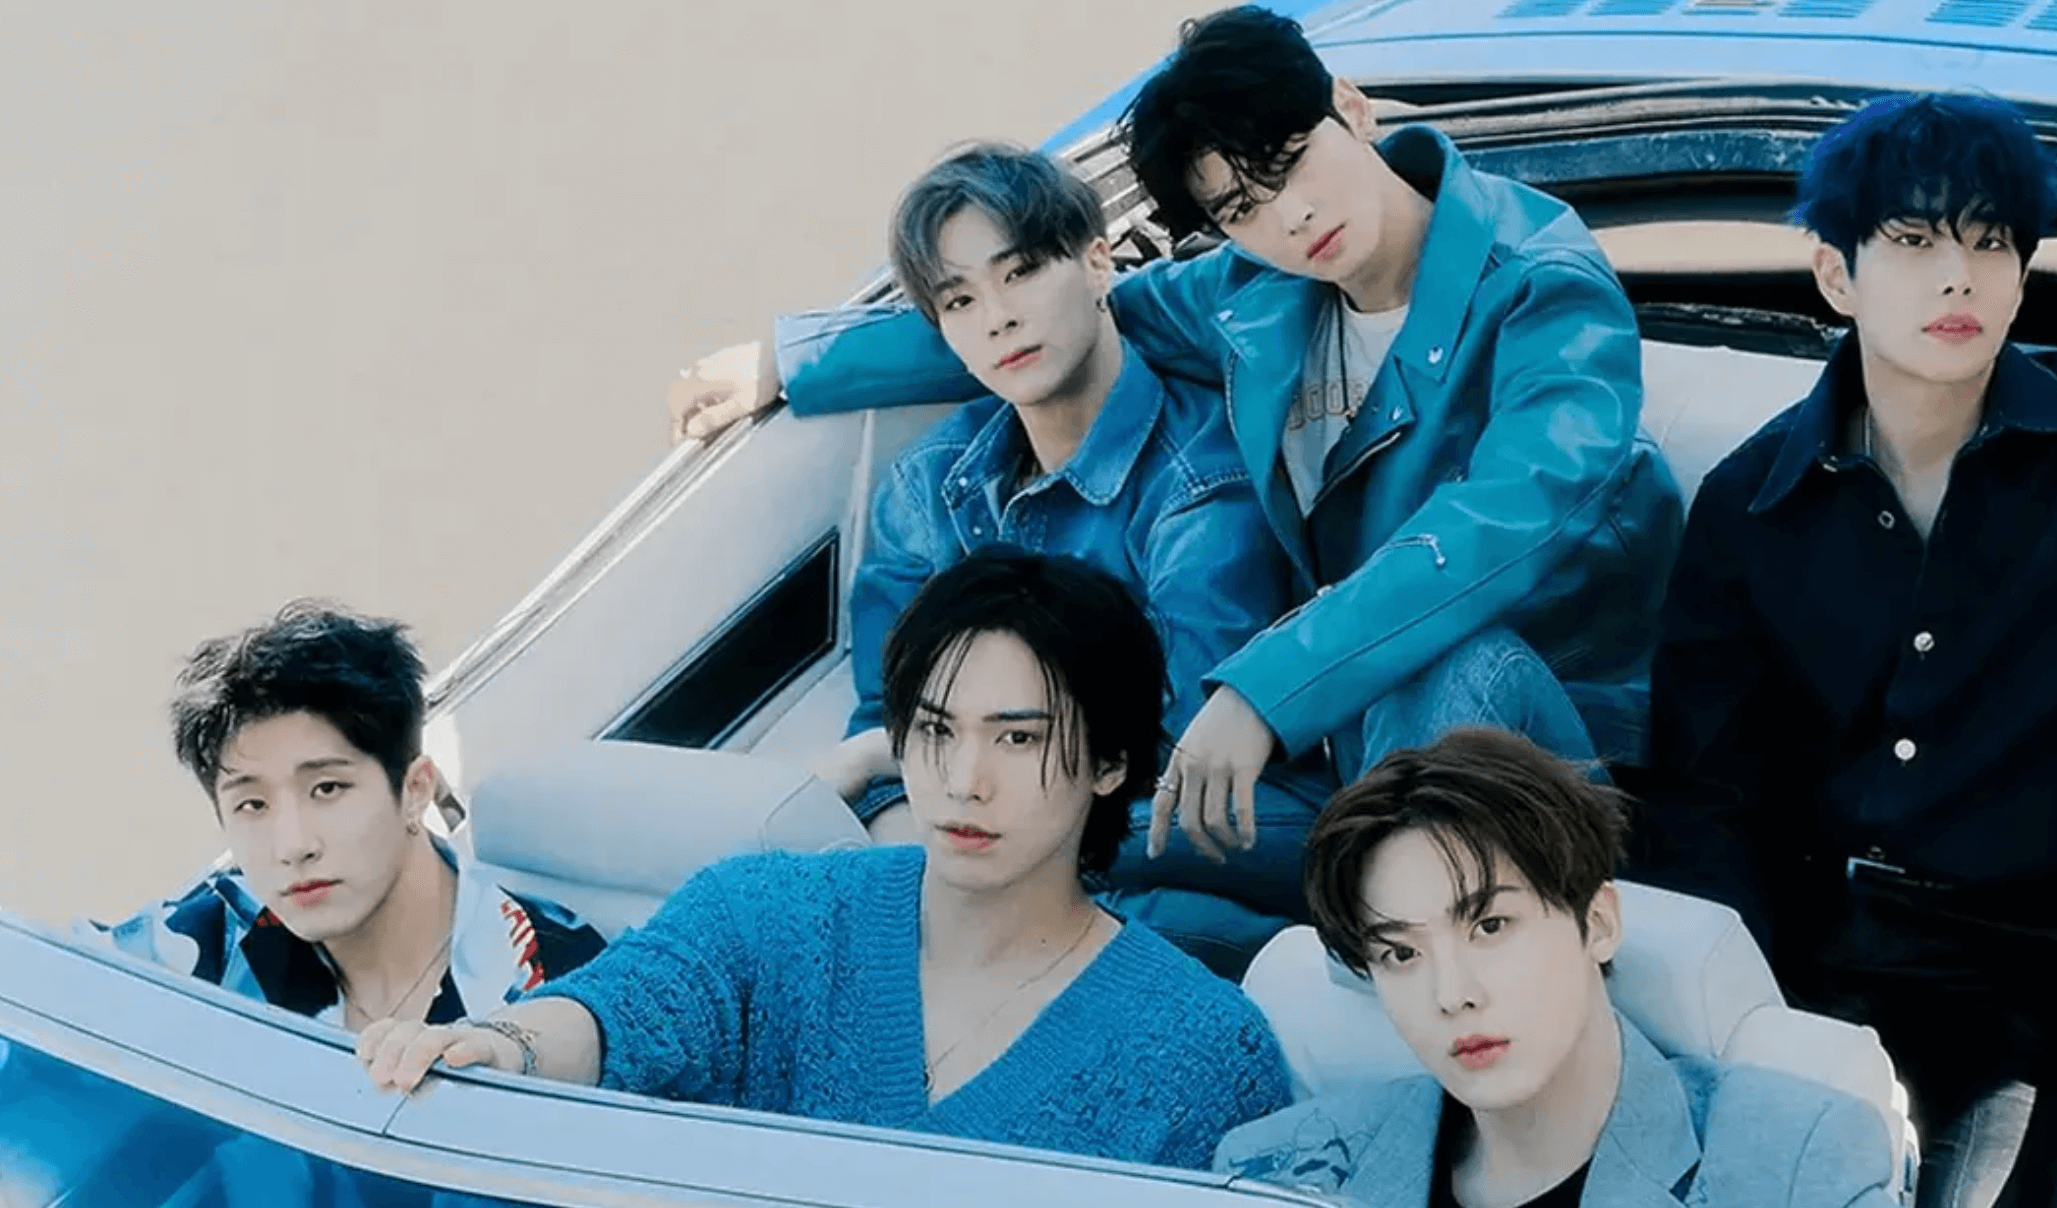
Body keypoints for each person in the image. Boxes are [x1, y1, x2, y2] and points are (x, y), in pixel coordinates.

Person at [665, 6, 1683, 850]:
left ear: (1351, 107)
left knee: (1447, 666)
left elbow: (1493, 533)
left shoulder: (1544, 289)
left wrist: (1262, 687)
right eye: (1240, 208)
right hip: (1348, 722)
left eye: (1291, 162)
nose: (1288, 218)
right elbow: (1063, 315)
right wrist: (794, 365)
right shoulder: (1259, 289)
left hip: (1553, 729)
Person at [1647, 92, 2057, 1207]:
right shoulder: (1751, 499)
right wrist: (1742, 1022)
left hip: (2011, 995)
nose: (1958, 277)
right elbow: (1701, 797)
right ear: (1836, 274)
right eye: (1914, 241)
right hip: (1783, 968)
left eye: (1990, 241)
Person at [356, 549, 1295, 1172]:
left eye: (1018, 739)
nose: (964, 781)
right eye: (935, 730)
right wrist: (501, 1048)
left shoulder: (1206, 1049)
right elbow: (621, 1012)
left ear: (1111, 762)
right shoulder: (770, 915)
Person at [811, 142, 1331, 975]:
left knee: (1074, 901)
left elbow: (1176, 736)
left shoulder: (1202, 475)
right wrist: (905, 829)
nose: (998, 318)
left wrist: (909, 774)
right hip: (1023, 818)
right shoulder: (928, 486)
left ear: (1096, 263)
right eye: (960, 300)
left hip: (1220, 803)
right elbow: (883, 712)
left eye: (1020, 273)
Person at [1214, 728, 1895, 1208]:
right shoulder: (1273, 1170)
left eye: (1490, 926)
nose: (1452, 995)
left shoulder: (1794, 1163)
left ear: (1597, 923)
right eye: (1401, 954)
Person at [86, 600, 605, 1030]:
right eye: (253, 805)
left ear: (415, 790)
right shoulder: (216, 939)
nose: (293, 846)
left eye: (327, 789)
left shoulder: (552, 977)